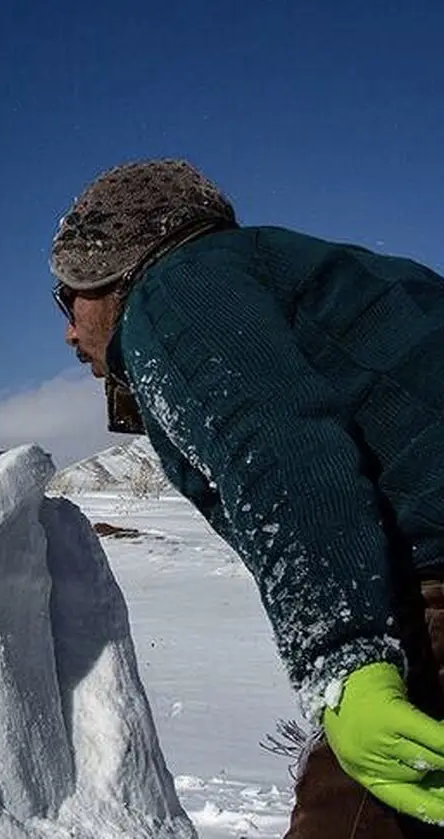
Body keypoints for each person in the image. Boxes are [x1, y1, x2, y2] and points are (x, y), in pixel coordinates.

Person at [49, 159, 444, 838]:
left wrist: (348, 661)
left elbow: (280, 452)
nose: (66, 330)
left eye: (66, 297)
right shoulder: (298, 275)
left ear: (111, 267)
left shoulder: (174, 291)